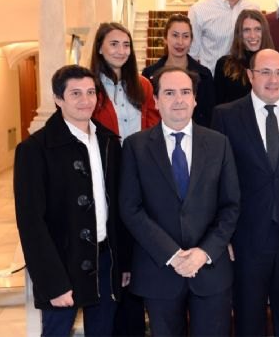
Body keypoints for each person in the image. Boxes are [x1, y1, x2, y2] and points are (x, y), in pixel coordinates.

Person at [119, 66, 240, 336]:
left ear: (195, 99)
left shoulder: (219, 143)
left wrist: (204, 252)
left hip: (210, 269)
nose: (179, 100)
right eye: (170, 93)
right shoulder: (135, 147)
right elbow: (130, 208)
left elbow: (230, 206)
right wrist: (172, 255)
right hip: (158, 270)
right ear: (156, 100)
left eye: (186, 92)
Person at [211, 49, 279, 336]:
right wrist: (224, 235)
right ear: (250, 76)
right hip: (245, 236)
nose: (273, 79)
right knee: (248, 319)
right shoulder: (226, 116)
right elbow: (216, 181)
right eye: (265, 72)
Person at [14, 65, 127, 337]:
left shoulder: (109, 142)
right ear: (58, 98)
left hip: (104, 261)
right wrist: (52, 282)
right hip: (61, 263)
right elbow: (31, 223)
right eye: (75, 93)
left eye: (90, 92)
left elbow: (120, 208)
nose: (85, 100)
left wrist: (122, 262)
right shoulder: (34, 150)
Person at [89, 22, 158, 336]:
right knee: (113, 239)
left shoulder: (141, 84)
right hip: (105, 170)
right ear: (100, 47)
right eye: (114, 44)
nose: (120, 50)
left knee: (136, 238)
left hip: (140, 168)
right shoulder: (91, 85)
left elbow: (153, 124)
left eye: (126, 45)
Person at [142, 13, 215, 127]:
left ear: (191, 40)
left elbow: (209, 115)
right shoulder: (149, 74)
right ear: (165, 38)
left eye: (185, 36)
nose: (180, 42)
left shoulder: (204, 75)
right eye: (175, 35)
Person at [213, 9, 275, 105]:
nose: (253, 35)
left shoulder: (275, 63)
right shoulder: (224, 65)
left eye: (258, 29)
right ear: (239, 34)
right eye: (247, 30)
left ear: (265, 32)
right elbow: (218, 107)